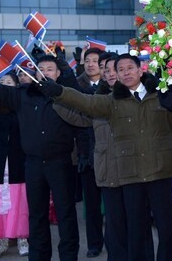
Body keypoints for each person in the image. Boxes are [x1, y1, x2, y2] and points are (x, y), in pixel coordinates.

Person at [37, 54, 172, 261]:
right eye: (121, 70)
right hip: (131, 173)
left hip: (160, 170)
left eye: (129, 68)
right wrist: (60, 92)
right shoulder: (112, 101)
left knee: (166, 226)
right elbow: (86, 102)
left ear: (140, 70)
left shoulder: (160, 94)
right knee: (136, 228)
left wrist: (167, 146)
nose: (126, 73)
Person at [0, 55, 82, 260]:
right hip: (33, 165)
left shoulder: (67, 95)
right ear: (35, 73)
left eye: (50, 69)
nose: (45, 72)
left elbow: (84, 100)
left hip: (61, 163)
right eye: (41, 69)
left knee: (66, 213)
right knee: (36, 215)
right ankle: (38, 256)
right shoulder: (22, 95)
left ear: (57, 74)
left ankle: (68, 256)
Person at [0, 73, 29, 258]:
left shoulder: (21, 105)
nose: (4, 86)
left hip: (18, 160)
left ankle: (22, 239)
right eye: (1, 83)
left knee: (19, 201)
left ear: (17, 85)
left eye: (9, 83)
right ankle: (0, 241)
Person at [74, 47, 104, 258]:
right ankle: (94, 244)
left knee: (114, 205)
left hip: (110, 155)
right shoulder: (76, 86)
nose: (91, 64)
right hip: (86, 156)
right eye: (88, 60)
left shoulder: (113, 86)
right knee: (91, 205)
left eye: (95, 60)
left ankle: (116, 242)